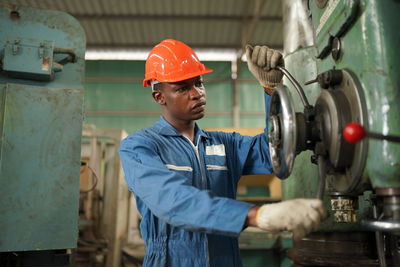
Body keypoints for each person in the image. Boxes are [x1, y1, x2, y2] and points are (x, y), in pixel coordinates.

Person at [119, 39, 326, 267]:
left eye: (199, 83)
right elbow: (171, 200)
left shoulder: (225, 144)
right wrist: (255, 215)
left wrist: (271, 89)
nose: (197, 93)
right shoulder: (140, 147)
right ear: (160, 97)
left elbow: (272, 152)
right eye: (182, 88)